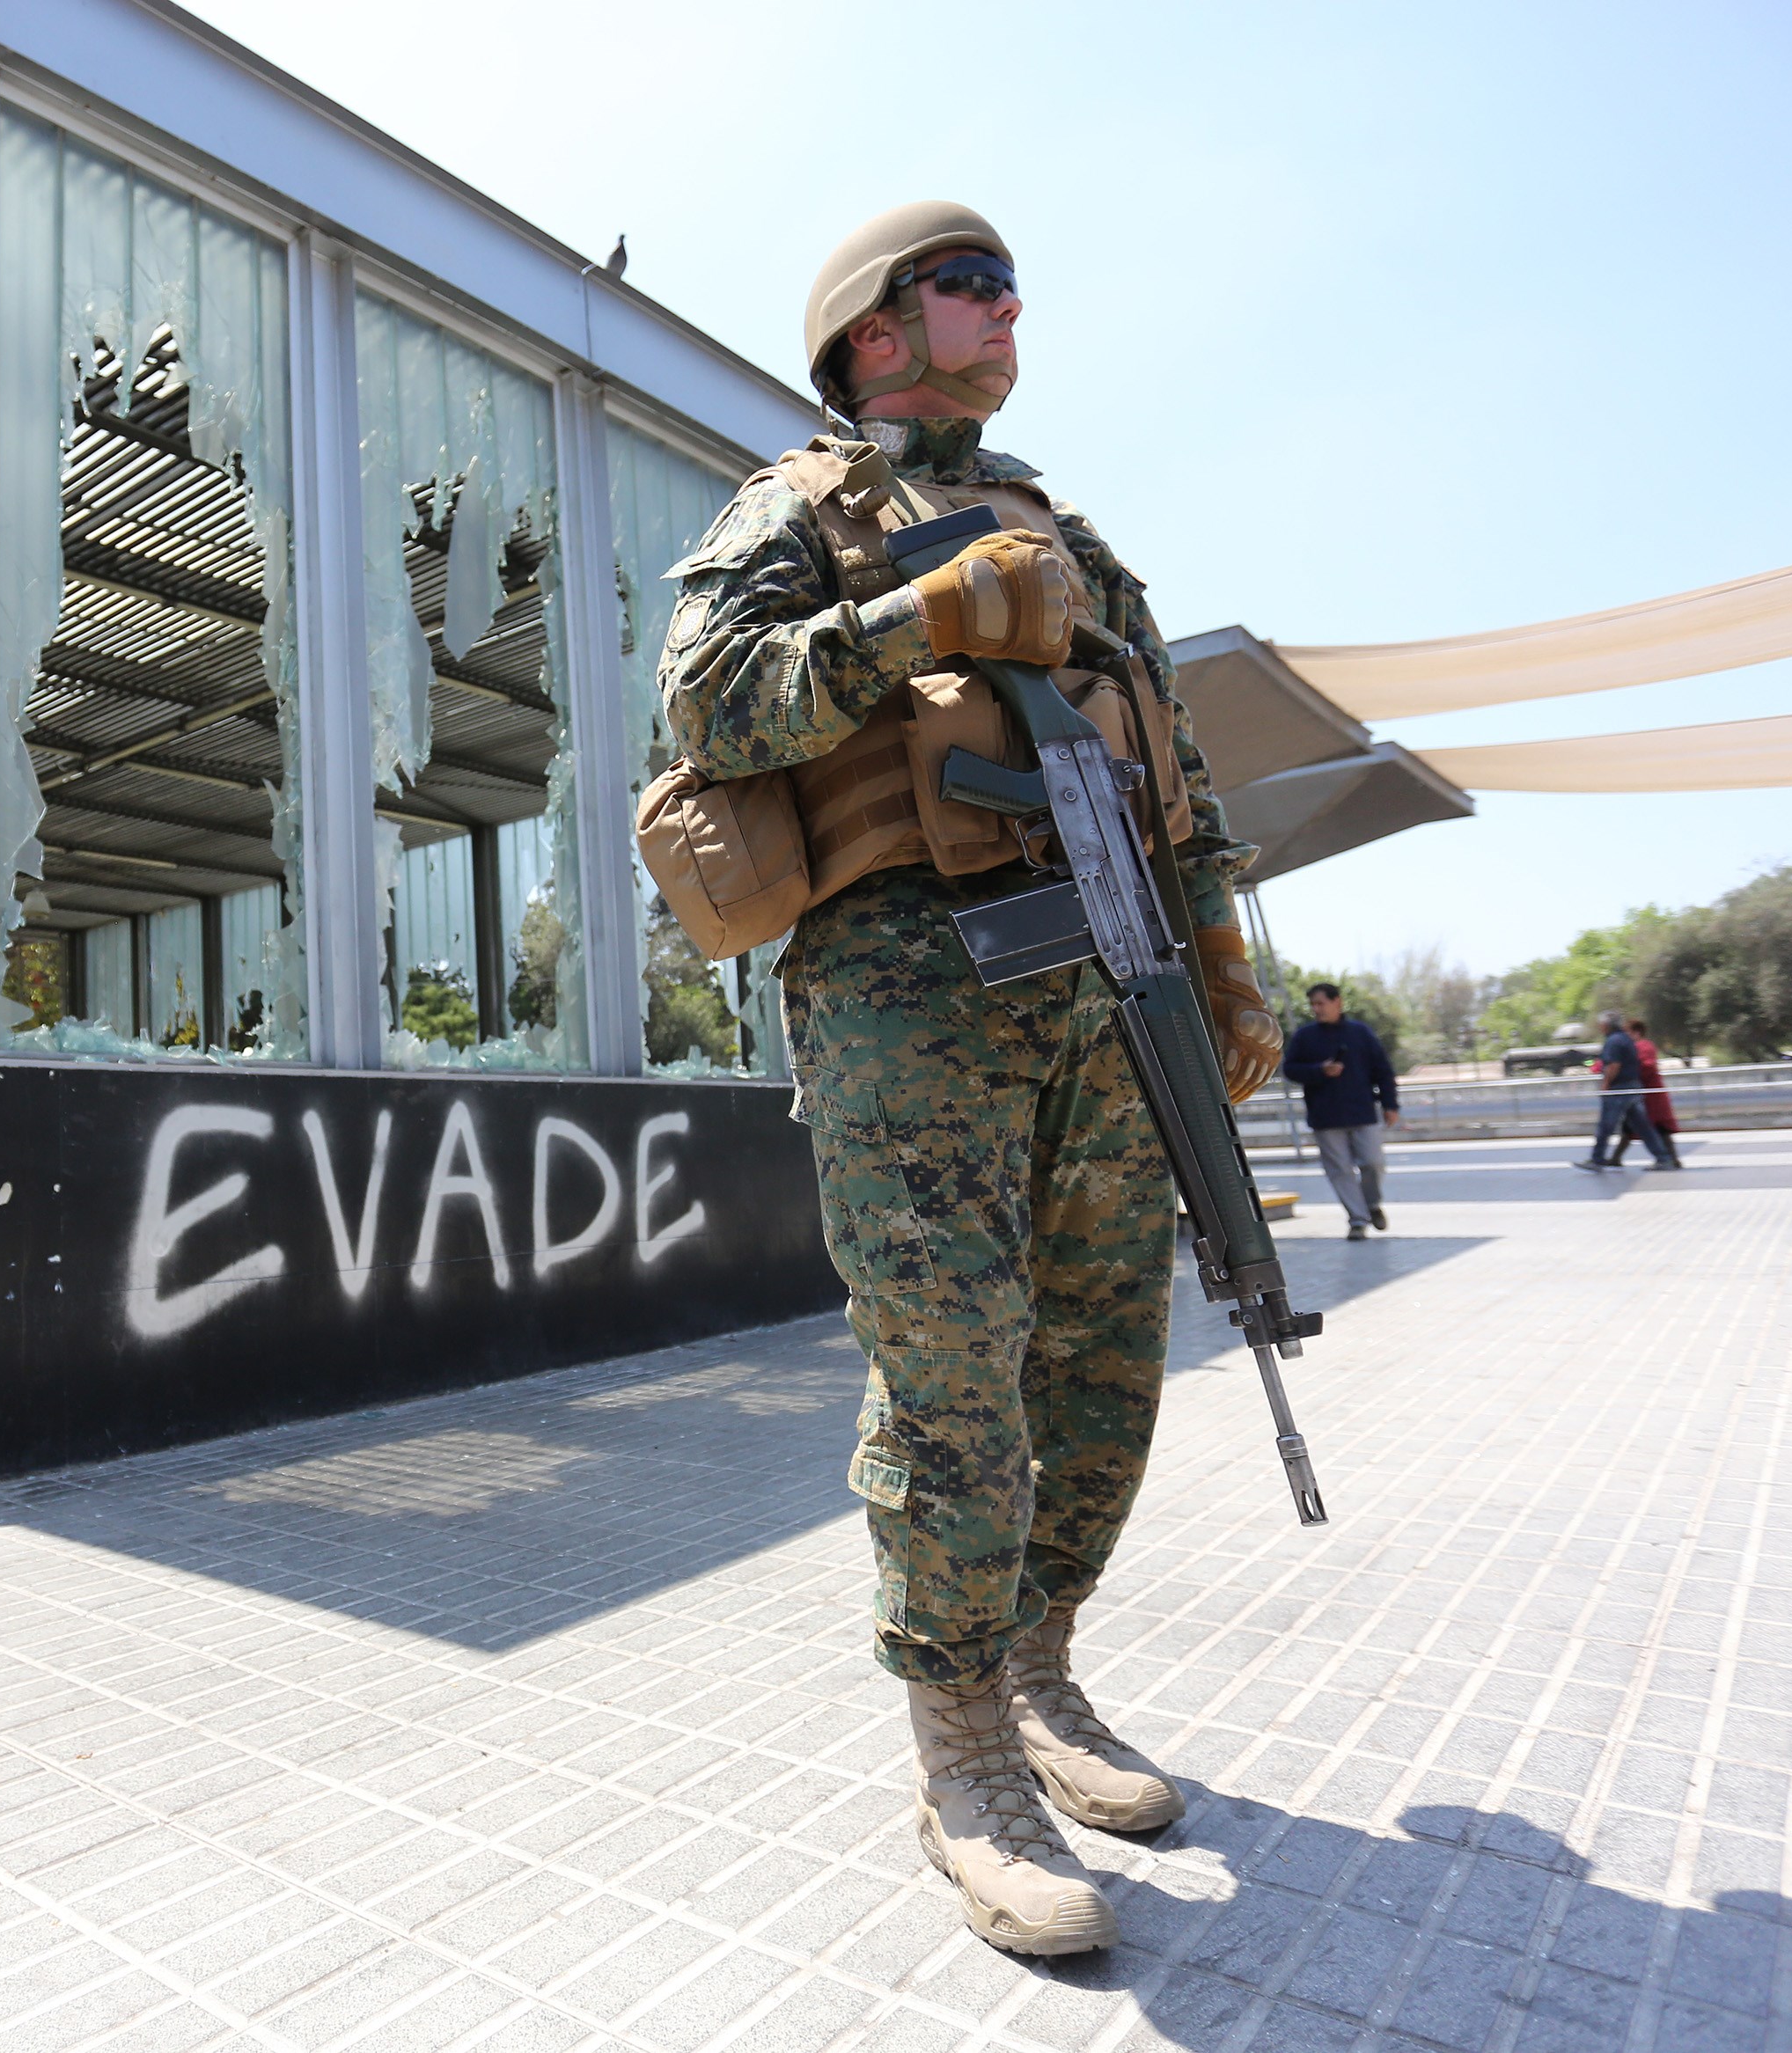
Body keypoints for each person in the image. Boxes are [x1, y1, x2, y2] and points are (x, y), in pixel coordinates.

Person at [656, 202, 1281, 1956]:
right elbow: (708, 707)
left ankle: (1041, 1671)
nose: (1008, 308)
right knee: (954, 1385)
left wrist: (1222, 956)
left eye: (1006, 283)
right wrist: (904, 618)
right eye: (971, 283)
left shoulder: (1067, 530)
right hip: (907, 1002)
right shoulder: (792, 512)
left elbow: (1173, 756)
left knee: (1100, 1362)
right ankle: (956, 1755)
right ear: (875, 329)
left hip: (1112, 992)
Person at [1279, 983, 1401, 1239]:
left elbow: (1383, 1071)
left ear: (1338, 1002)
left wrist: (1391, 1105)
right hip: (1325, 1115)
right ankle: (1357, 1220)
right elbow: (1290, 1069)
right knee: (1340, 1171)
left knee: (1373, 1162)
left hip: (1363, 1111)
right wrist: (1319, 1071)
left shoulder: (1361, 1033)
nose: (1316, 1009)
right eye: (1313, 1004)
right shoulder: (1305, 1036)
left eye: (1321, 1003)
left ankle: (1371, 1204)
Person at [1575, 1008, 1680, 1169]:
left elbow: (1614, 1065)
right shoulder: (1626, 1039)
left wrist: (1606, 1084)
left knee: (1606, 1125)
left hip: (1619, 1089)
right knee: (1643, 1126)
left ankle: (1597, 1159)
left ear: (1605, 1024)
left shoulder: (1613, 1041)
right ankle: (1663, 1158)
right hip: (1634, 1087)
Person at [1608, 1017, 1678, 1162]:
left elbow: (1647, 1066)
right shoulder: (1635, 1047)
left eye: (1627, 1032)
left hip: (1651, 1095)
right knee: (1630, 1126)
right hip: (1642, 1094)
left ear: (1636, 1032)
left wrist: (1629, 1071)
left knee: (1659, 1127)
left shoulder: (1644, 1046)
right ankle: (1615, 1158)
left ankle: (1672, 1159)